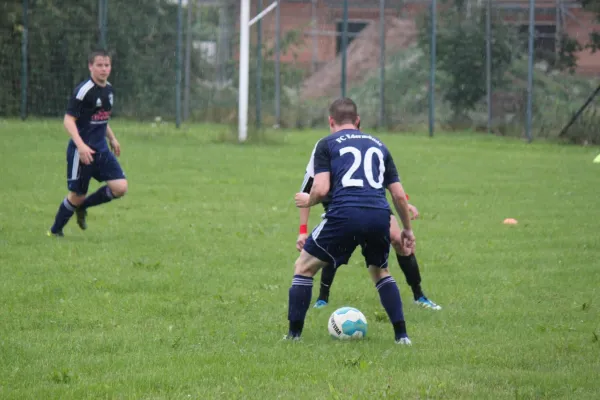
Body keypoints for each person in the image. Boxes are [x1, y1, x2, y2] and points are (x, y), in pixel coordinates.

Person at [285, 98, 415, 345]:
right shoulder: (379, 145)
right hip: (379, 215)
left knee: (303, 268)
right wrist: (407, 229)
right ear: (358, 122)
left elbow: (321, 189)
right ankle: (402, 336)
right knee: (380, 271)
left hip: (344, 213)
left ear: (330, 121)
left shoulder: (326, 144)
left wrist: (307, 200)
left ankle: (293, 337)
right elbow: (398, 195)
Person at [296, 185, 441, 311]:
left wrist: (404, 201)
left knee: (399, 240)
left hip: (372, 201)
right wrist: (303, 231)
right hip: (339, 205)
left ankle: (419, 296)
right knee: (333, 246)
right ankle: (323, 298)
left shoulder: (373, 152)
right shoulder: (320, 155)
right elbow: (305, 192)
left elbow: (386, 177)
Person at [48, 49, 128, 237]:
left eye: (107, 65)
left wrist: (112, 138)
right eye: (99, 65)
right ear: (90, 66)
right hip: (81, 151)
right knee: (77, 195)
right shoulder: (83, 91)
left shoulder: (109, 89)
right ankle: (55, 231)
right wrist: (81, 145)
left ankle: (83, 207)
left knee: (120, 187)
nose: (103, 69)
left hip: (101, 150)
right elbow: (68, 120)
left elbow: (101, 119)